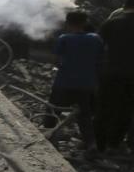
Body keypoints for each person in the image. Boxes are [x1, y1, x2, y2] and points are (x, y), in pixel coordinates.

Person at [96, 0, 134, 155]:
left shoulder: (112, 22)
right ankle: (114, 144)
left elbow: (98, 48)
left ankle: (97, 144)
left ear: (126, 5)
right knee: (126, 110)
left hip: (111, 73)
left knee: (104, 108)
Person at [44, 10, 103, 151]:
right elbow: (100, 61)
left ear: (67, 22)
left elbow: (55, 61)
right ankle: (91, 143)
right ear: (85, 22)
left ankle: (47, 138)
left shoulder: (64, 38)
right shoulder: (96, 39)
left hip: (64, 82)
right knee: (84, 115)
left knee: (52, 111)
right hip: (86, 84)